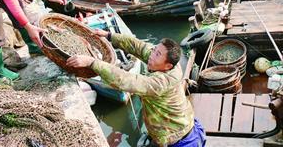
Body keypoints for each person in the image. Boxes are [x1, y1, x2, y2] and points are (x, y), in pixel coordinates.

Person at [67, 30, 206, 147]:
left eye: (157, 54)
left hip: (177, 137)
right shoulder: (160, 61)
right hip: (172, 126)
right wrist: (109, 35)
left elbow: (128, 81)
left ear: (168, 66)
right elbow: (138, 46)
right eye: (155, 49)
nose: (152, 55)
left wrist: (92, 63)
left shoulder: (161, 82)